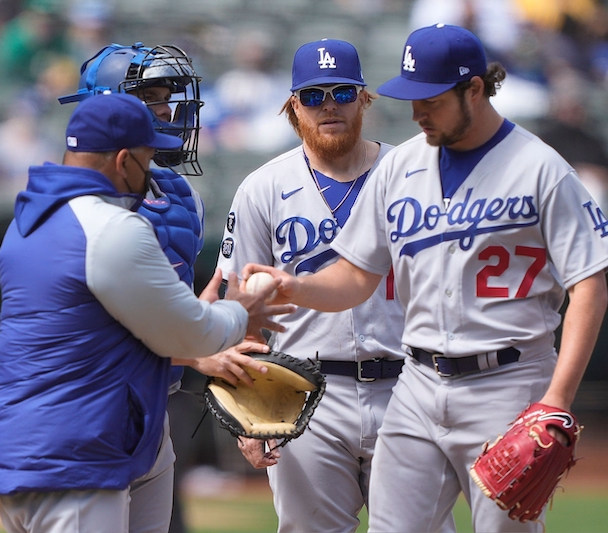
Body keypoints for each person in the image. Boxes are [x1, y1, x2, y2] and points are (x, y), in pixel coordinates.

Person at [242, 24, 608, 533]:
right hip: (416, 383)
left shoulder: (542, 169)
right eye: (411, 99)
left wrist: (558, 399)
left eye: (430, 101)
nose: (416, 113)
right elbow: (355, 275)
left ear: (473, 90)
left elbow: (589, 283)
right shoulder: (403, 166)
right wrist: (293, 287)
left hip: (506, 380)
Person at [0, 92, 294, 533]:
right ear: (123, 159)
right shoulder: (111, 227)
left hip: (28, 441)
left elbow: (110, 329)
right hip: (78, 450)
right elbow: (192, 336)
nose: (152, 169)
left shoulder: (27, 222)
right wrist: (241, 312)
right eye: (147, 156)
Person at [217, 38, 453, 533]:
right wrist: (252, 407)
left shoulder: (411, 173)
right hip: (304, 392)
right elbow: (240, 308)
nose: (329, 106)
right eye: (314, 95)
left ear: (364, 99)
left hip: (408, 387)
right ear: (292, 106)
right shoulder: (263, 187)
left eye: (343, 93)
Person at [59, 42, 275, 532]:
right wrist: (202, 349)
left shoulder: (180, 195)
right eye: (152, 96)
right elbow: (100, 330)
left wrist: (214, 317)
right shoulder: (78, 206)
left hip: (156, 406)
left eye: (168, 95)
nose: (168, 108)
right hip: (92, 405)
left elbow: (170, 310)